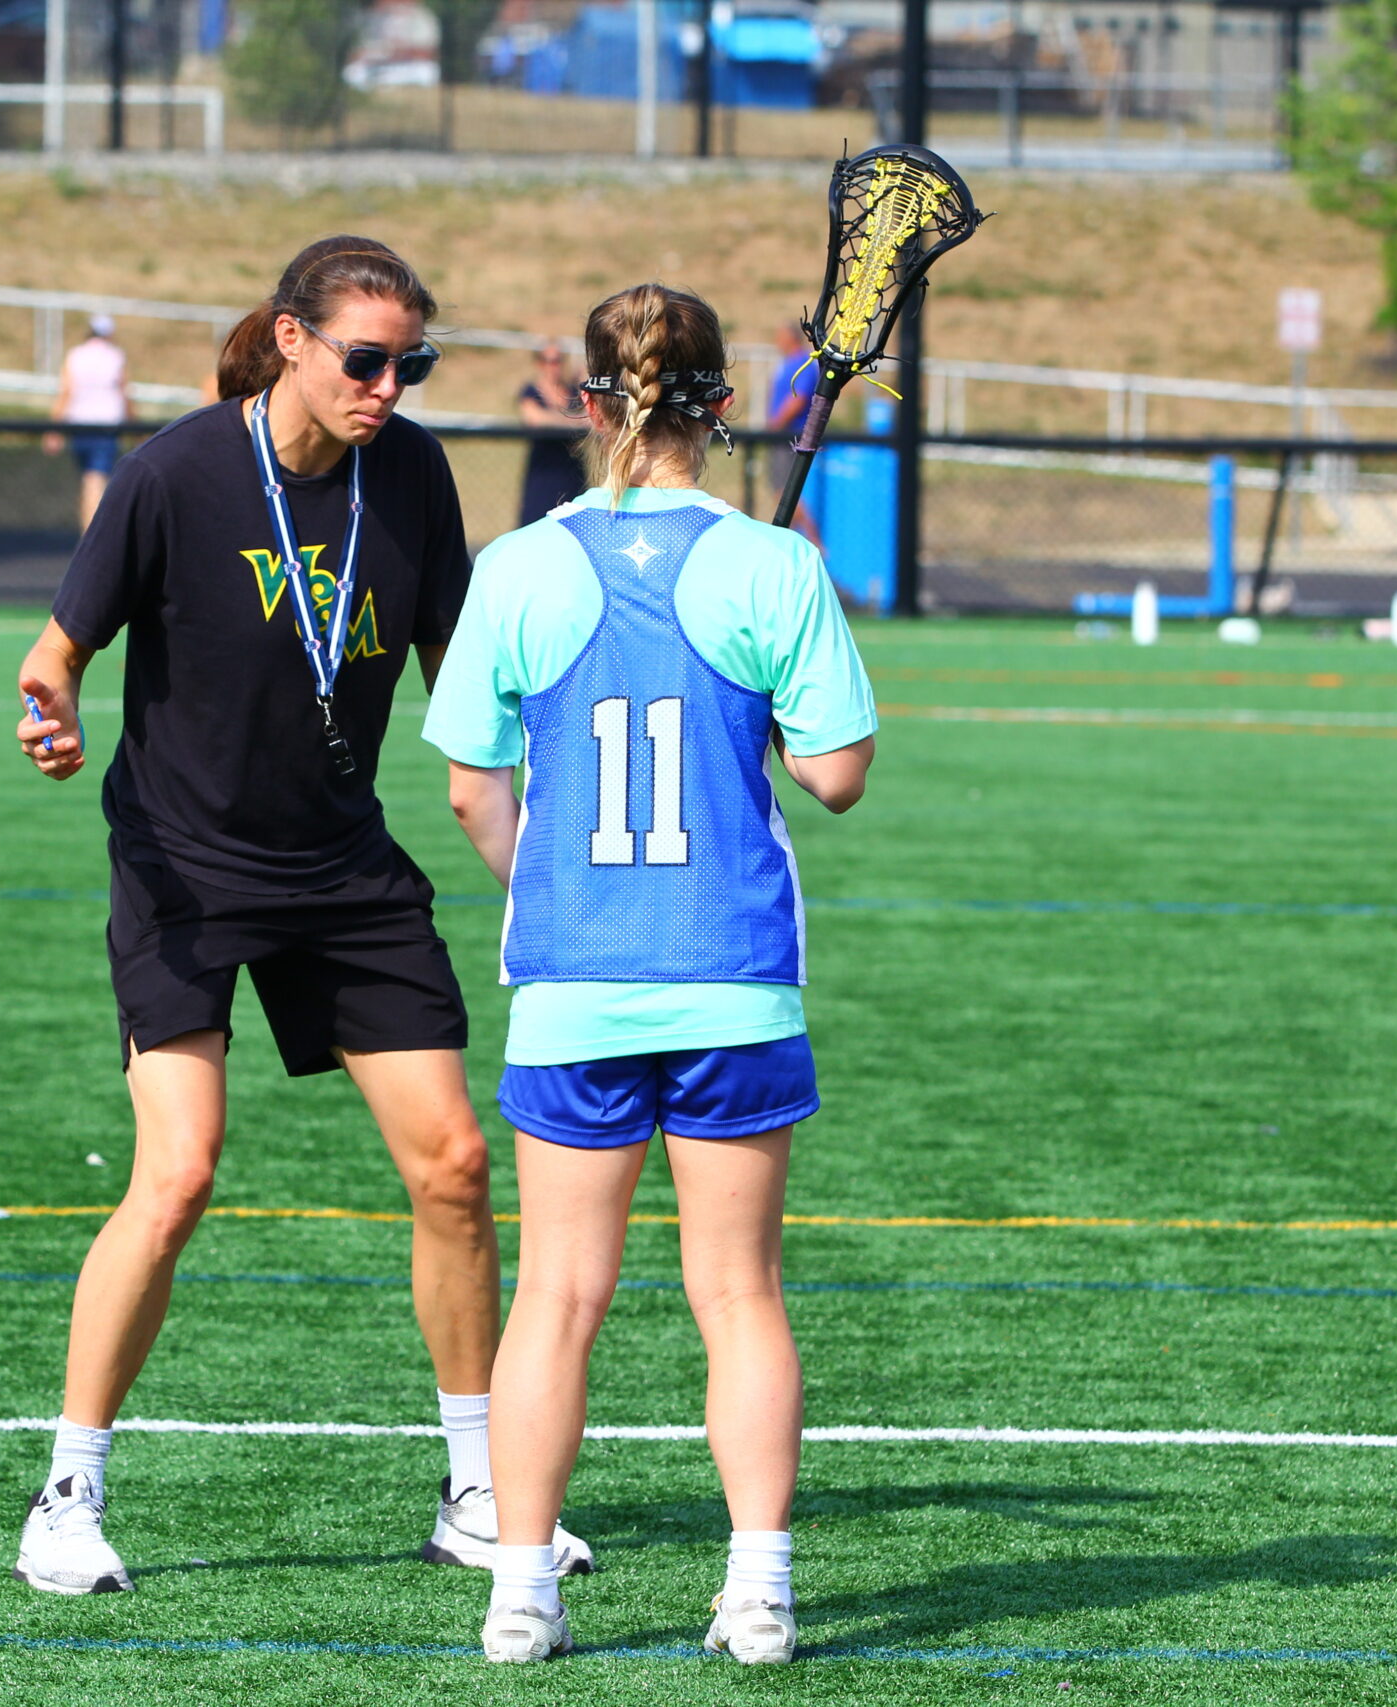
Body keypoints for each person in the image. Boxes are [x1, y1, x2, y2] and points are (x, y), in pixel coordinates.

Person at [9, 235, 593, 1599]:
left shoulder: (415, 475)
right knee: (179, 1173)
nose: (388, 388)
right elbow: (57, 650)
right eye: (366, 361)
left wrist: (559, 772)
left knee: (455, 1163)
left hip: (341, 865)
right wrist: (52, 711)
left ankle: (477, 1489)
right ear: (291, 339)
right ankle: (67, 1494)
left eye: (411, 366)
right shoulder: (175, 473)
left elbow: (462, 675)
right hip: (184, 865)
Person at [423, 283, 877, 1665]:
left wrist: (552, 888)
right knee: (738, 1294)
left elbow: (472, 790)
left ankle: (521, 1591)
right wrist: (776, 699)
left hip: (575, 981)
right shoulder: (773, 565)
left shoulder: (517, 565)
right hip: (730, 973)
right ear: (720, 404)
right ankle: (759, 1591)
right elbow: (836, 775)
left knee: (556, 1296)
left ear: (585, 399)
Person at [45, 313, 132, 533]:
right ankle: (92, 533)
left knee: (89, 479)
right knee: (95, 479)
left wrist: (54, 429)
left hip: (79, 423)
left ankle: (89, 530)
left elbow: (66, 392)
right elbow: (124, 393)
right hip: (106, 425)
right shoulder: (115, 356)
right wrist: (134, 423)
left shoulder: (76, 355)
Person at [514, 340, 583, 527]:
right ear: (539, 363)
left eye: (558, 360)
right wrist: (572, 420)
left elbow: (592, 418)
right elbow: (534, 418)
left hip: (572, 473)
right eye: (548, 360)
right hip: (542, 472)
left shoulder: (573, 392)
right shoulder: (531, 391)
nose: (554, 366)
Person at [767, 319, 820, 544]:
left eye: (780, 336)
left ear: (791, 338)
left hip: (790, 435)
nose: (777, 341)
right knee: (781, 490)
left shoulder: (803, 364)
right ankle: (790, 538)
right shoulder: (787, 364)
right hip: (781, 435)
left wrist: (776, 425)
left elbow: (797, 400)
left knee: (785, 491)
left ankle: (815, 541)